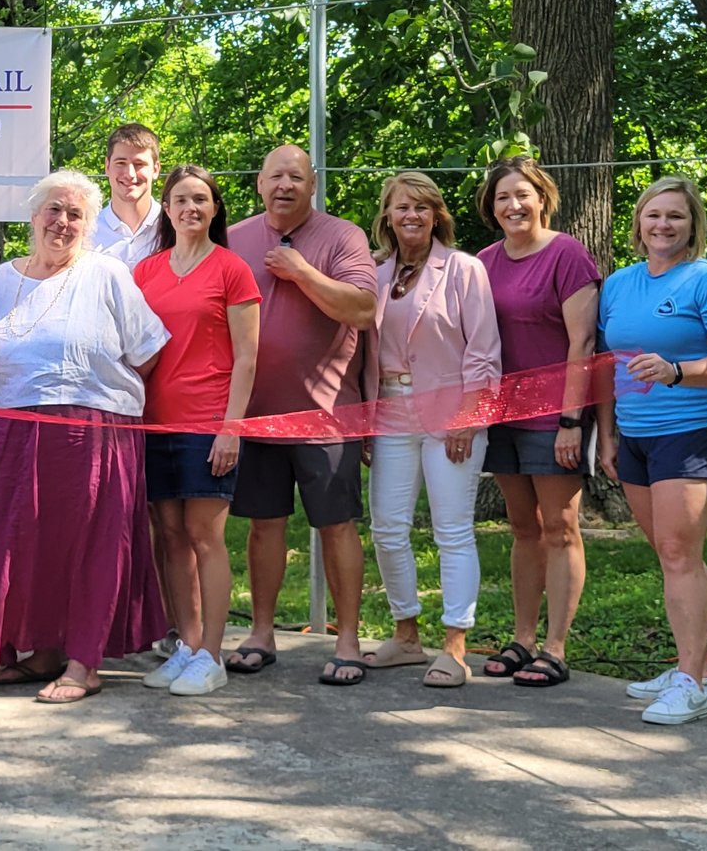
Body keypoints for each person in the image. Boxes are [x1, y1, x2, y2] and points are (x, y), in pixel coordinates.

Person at [0, 170, 169, 705]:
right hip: (13, 429)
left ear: (88, 225)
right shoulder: (2, 279)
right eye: (53, 210)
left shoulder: (108, 274)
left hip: (92, 433)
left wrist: (98, 398)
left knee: (89, 546)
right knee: (26, 546)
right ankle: (45, 650)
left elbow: (148, 352)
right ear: (33, 217)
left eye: (75, 214)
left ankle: (84, 663)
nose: (62, 222)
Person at [597, 176, 707, 726]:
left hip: (693, 428)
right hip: (635, 434)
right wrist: (609, 431)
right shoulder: (619, 284)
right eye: (653, 215)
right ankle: (699, 672)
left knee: (678, 553)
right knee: (668, 554)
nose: (663, 225)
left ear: (693, 226)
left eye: (676, 217)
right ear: (638, 224)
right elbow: (608, 365)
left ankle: (691, 680)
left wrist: (677, 372)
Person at [223, 145, 377, 685]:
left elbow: (361, 308)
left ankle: (350, 640)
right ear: (259, 184)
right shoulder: (235, 238)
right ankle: (261, 633)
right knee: (264, 526)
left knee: (336, 527)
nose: (285, 185)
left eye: (296, 176)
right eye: (275, 176)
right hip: (256, 414)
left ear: (313, 185)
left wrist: (301, 271)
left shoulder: (342, 237)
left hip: (326, 415)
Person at [365, 171, 500, 689]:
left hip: (451, 415)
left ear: (437, 215)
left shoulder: (463, 269)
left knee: (451, 530)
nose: (412, 216)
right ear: (388, 216)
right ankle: (405, 633)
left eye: (422, 207)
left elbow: (483, 349)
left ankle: (455, 645)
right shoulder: (375, 273)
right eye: (402, 207)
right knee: (388, 528)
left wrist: (471, 416)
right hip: (390, 413)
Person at [472, 156, 602, 688]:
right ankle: (523, 639)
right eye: (503, 197)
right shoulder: (482, 261)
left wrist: (573, 420)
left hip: (555, 416)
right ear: (491, 206)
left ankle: (555, 646)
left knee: (560, 527)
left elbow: (584, 343)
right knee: (522, 528)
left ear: (542, 197)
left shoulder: (567, 255)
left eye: (523, 194)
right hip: (501, 415)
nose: (513, 205)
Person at [131, 164, 258, 698]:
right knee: (170, 539)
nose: (191, 208)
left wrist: (231, 428)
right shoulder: (145, 271)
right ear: (166, 209)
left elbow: (249, 358)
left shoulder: (233, 270)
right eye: (181, 199)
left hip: (209, 423)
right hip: (153, 422)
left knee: (206, 538)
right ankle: (185, 646)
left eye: (201, 200)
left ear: (214, 209)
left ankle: (211, 653)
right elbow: (135, 350)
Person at [92, 123, 163, 267]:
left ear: (155, 170)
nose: (130, 174)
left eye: (139, 164)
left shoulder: (174, 227)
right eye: (121, 163)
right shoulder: (87, 232)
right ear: (107, 166)